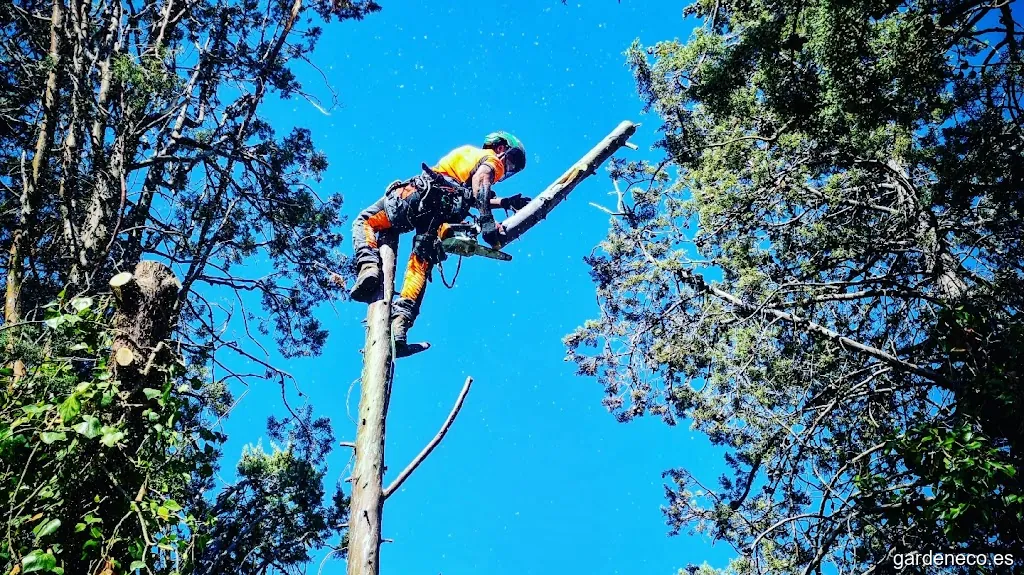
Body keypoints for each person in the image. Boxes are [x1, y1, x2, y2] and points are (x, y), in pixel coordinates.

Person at [349, 131, 531, 357]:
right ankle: (399, 324)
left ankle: (370, 271)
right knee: (419, 264)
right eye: (511, 161)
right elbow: (480, 184)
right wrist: (487, 223)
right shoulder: (490, 159)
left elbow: (474, 191)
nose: (507, 168)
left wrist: (505, 202)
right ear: (501, 147)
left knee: (367, 223)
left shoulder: (468, 155)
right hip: (440, 210)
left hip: (420, 200)